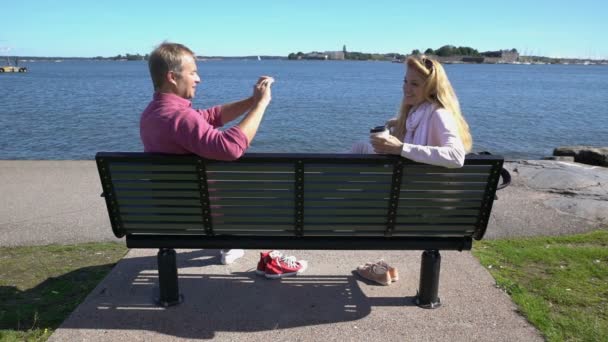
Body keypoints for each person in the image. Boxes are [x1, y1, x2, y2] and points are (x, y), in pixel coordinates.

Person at [140, 42, 273, 266]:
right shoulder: (180, 117)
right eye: (192, 73)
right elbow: (230, 148)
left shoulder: (153, 113)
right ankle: (230, 238)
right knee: (255, 181)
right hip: (201, 212)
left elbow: (209, 116)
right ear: (172, 77)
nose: (198, 79)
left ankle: (228, 240)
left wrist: (251, 101)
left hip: (169, 207)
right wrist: (261, 105)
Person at [353, 55, 473, 284]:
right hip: (416, 192)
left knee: (356, 158)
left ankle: (327, 198)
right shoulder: (420, 110)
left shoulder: (439, 114)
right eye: (405, 81)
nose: (406, 88)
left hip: (415, 204)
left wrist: (401, 148)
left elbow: (456, 156)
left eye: (415, 84)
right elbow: (417, 133)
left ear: (431, 87)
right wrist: (397, 124)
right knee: (360, 147)